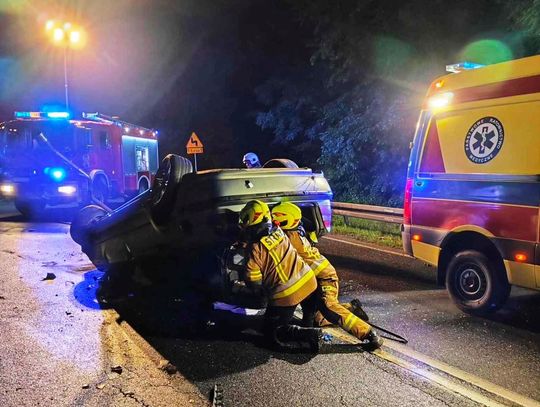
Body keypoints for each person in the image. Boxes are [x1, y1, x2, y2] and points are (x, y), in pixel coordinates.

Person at [271, 201, 383, 351]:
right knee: (318, 320)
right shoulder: (294, 231)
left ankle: (369, 334)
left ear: (288, 219)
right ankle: (350, 308)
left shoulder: (289, 239)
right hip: (312, 279)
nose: (273, 222)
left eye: (276, 219)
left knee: (329, 308)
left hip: (324, 278)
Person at [237, 199, 323, 351]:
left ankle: (309, 335)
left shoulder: (254, 249)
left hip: (287, 294)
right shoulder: (279, 231)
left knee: (270, 334)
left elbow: (254, 281)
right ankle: (307, 329)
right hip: (311, 283)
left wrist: (245, 288)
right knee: (307, 317)